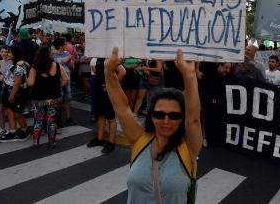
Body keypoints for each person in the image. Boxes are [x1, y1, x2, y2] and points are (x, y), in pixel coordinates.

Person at [105, 47, 202, 203]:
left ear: (182, 118)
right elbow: (122, 108)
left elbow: (194, 119)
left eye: (174, 115)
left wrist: (190, 75)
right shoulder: (139, 139)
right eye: (159, 114)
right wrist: (109, 73)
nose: (166, 121)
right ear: (151, 115)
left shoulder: (189, 147)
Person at [27, 46, 68, 148]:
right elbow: (65, 79)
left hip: (38, 99)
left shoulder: (34, 68)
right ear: (49, 54)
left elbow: (30, 83)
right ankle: (52, 142)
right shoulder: (58, 66)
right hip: (54, 98)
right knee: (51, 120)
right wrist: (57, 87)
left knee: (38, 120)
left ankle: (36, 142)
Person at [87, 58, 125, 154]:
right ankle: (100, 139)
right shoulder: (100, 57)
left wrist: (111, 85)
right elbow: (97, 72)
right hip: (98, 91)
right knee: (100, 115)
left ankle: (111, 142)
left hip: (108, 93)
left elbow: (122, 72)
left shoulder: (110, 58)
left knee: (111, 118)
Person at [0, 45, 30, 142]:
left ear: (15, 54)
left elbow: (17, 83)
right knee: (9, 111)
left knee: (17, 113)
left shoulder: (19, 65)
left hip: (17, 93)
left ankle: (25, 131)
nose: (7, 54)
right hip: (9, 90)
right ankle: (12, 131)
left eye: (9, 52)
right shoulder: (14, 63)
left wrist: (12, 95)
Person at [0, 46, 12, 138]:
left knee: (10, 110)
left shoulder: (13, 62)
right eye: (2, 51)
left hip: (10, 88)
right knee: (1, 110)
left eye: (6, 52)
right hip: (0, 87)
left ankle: (11, 129)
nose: (4, 53)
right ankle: (2, 129)